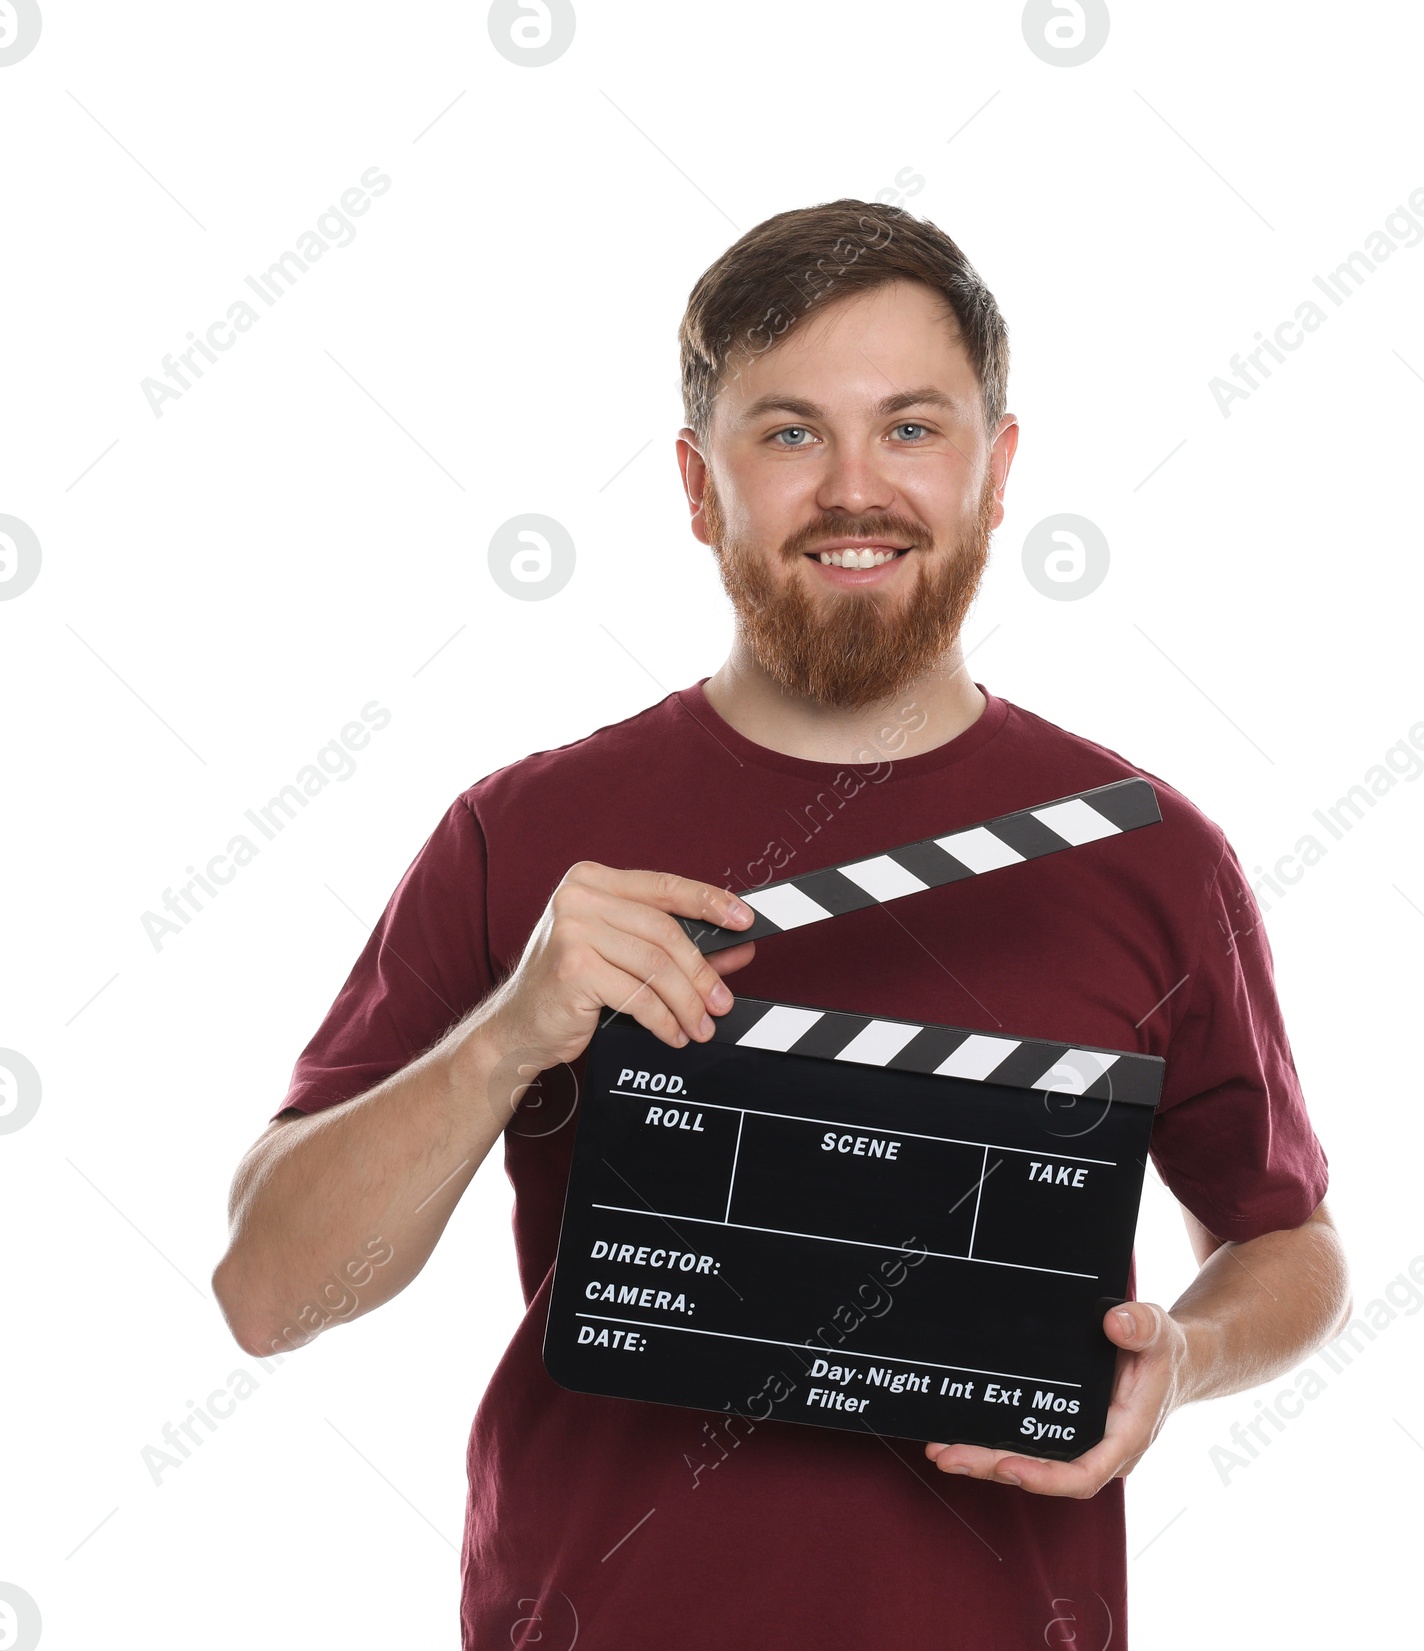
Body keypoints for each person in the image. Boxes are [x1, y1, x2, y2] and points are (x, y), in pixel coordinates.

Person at [213, 198, 1351, 1650]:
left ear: (999, 475)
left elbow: (1290, 1241)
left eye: (915, 430)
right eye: (792, 432)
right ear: (698, 485)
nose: (856, 488)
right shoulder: (521, 837)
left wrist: (1180, 1359)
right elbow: (270, 1295)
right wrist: (510, 1040)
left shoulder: (1148, 856)